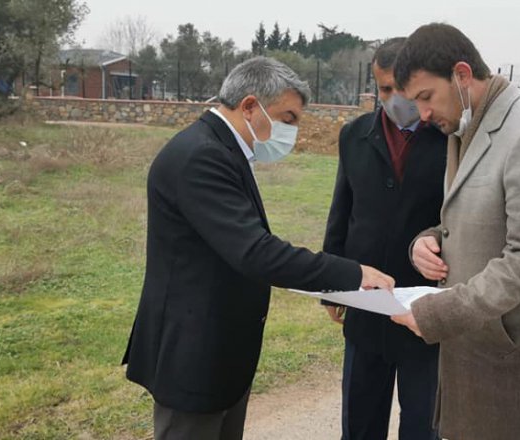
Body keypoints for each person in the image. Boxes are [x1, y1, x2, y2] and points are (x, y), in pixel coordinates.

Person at [122, 56, 394, 440]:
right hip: (193, 355)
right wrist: (353, 274)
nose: (292, 132)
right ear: (250, 106)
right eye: (287, 118)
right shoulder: (201, 156)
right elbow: (256, 252)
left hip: (220, 353)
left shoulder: (222, 150)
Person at [389, 23, 520, 439]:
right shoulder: (464, 131)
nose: (422, 114)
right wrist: (428, 241)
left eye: (426, 97)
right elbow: (471, 218)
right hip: (471, 363)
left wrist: (440, 313)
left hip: (519, 374)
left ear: (462, 75)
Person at [322, 38, 447, 440]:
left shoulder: (450, 139)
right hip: (366, 303)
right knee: (360, 421)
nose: (393, 98)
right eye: (384, 88)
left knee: (423, 424)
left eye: (400, 87)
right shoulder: (354, 135)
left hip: (425, 309)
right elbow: (342, 210)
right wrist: (332, 284)